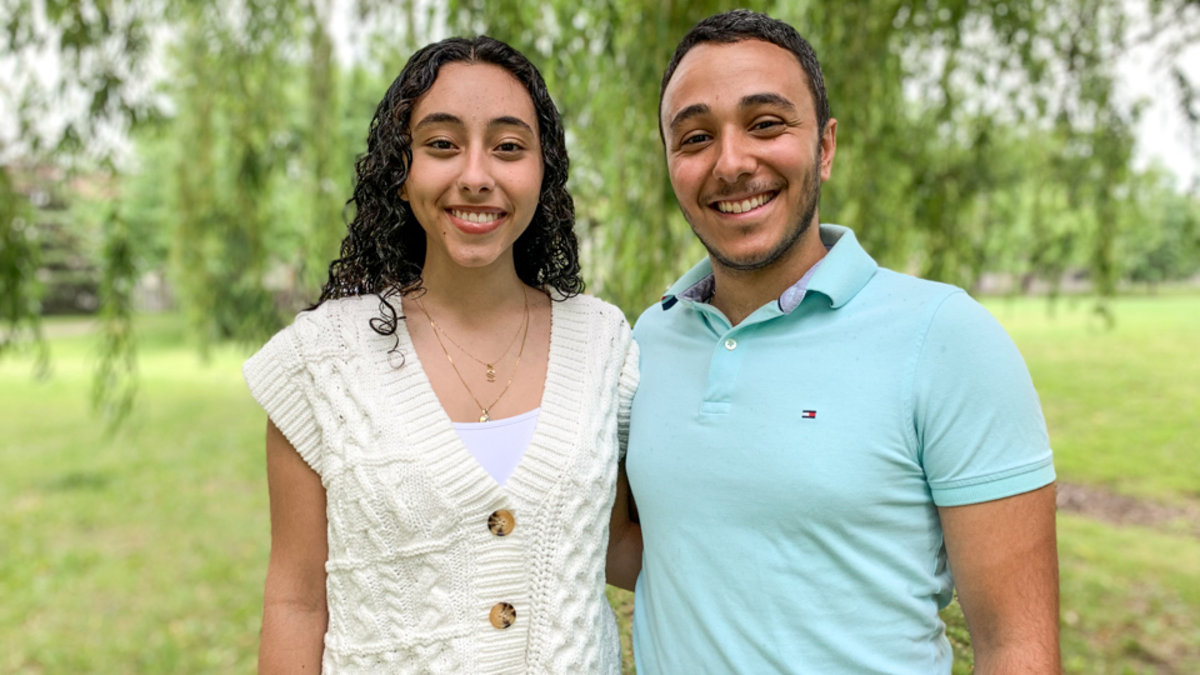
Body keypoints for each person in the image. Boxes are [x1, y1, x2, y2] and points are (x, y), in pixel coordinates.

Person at [616, 10, 1060, 674]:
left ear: (825, 147)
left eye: (766, 124)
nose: (732, 162)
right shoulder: (648, 340)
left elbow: (1016, 646)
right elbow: (659, 550)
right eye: (696, 136)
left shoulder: (946, 337)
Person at [243, 36, 637, 674]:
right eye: (442, 145)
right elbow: (296, 600)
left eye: (509, 147)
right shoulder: (320, 363)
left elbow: (617, 541)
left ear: (544, 174)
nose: (476, 176)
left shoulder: (603, 343)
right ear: (400, 174)